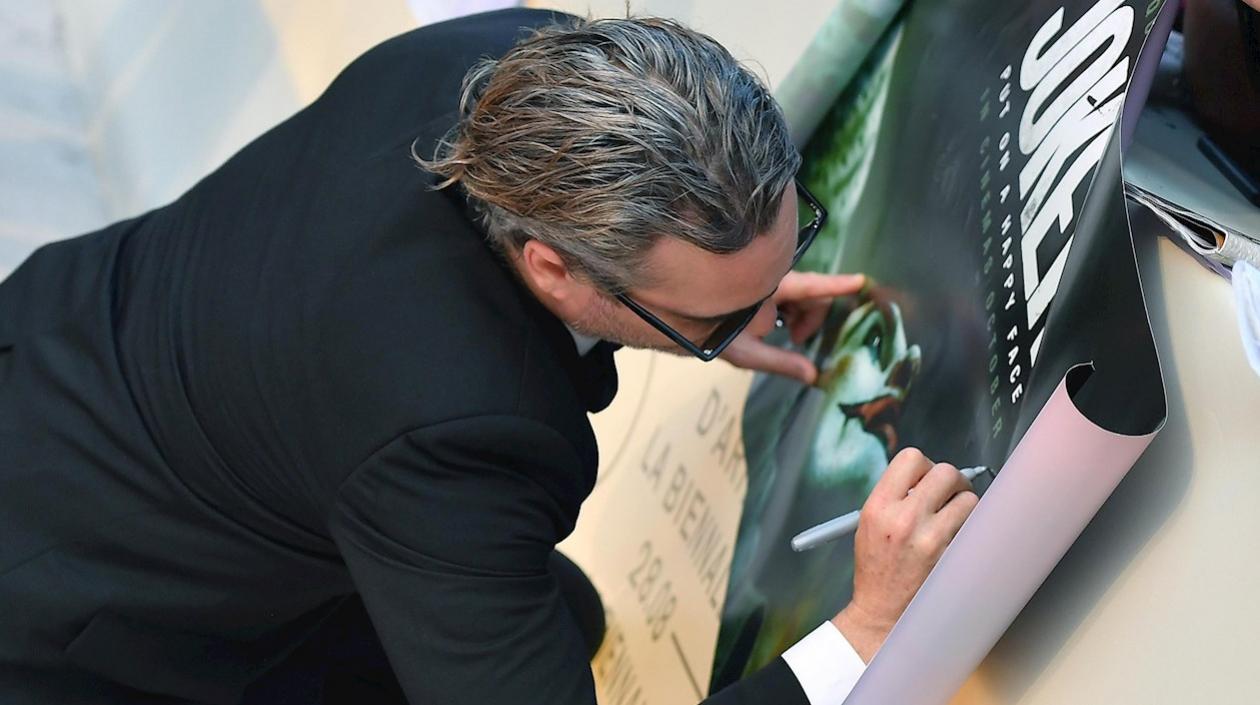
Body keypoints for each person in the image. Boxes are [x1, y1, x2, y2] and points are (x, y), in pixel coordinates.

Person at [0, 8, 977, 704]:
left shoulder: (527, 57)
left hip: (71, 335)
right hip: (90, 604)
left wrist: (722, 309)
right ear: (554, 268)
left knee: (566, 615)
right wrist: (867, 637)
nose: (766, 310)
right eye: (711, 321)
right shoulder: (452, 438)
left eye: (793, 237)